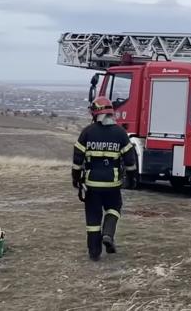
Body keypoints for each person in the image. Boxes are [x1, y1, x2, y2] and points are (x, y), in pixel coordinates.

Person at [72, 96, 138, 261]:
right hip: (112, 184)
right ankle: (108, 234)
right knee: (114, 208)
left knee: (93, 218)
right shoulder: (120, 133)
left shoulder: (87, 132)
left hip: (91, 184)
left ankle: (94, 252)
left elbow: (77, 159)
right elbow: (130, 161)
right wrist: (132, 179)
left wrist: (76, 178)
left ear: (96, 113)